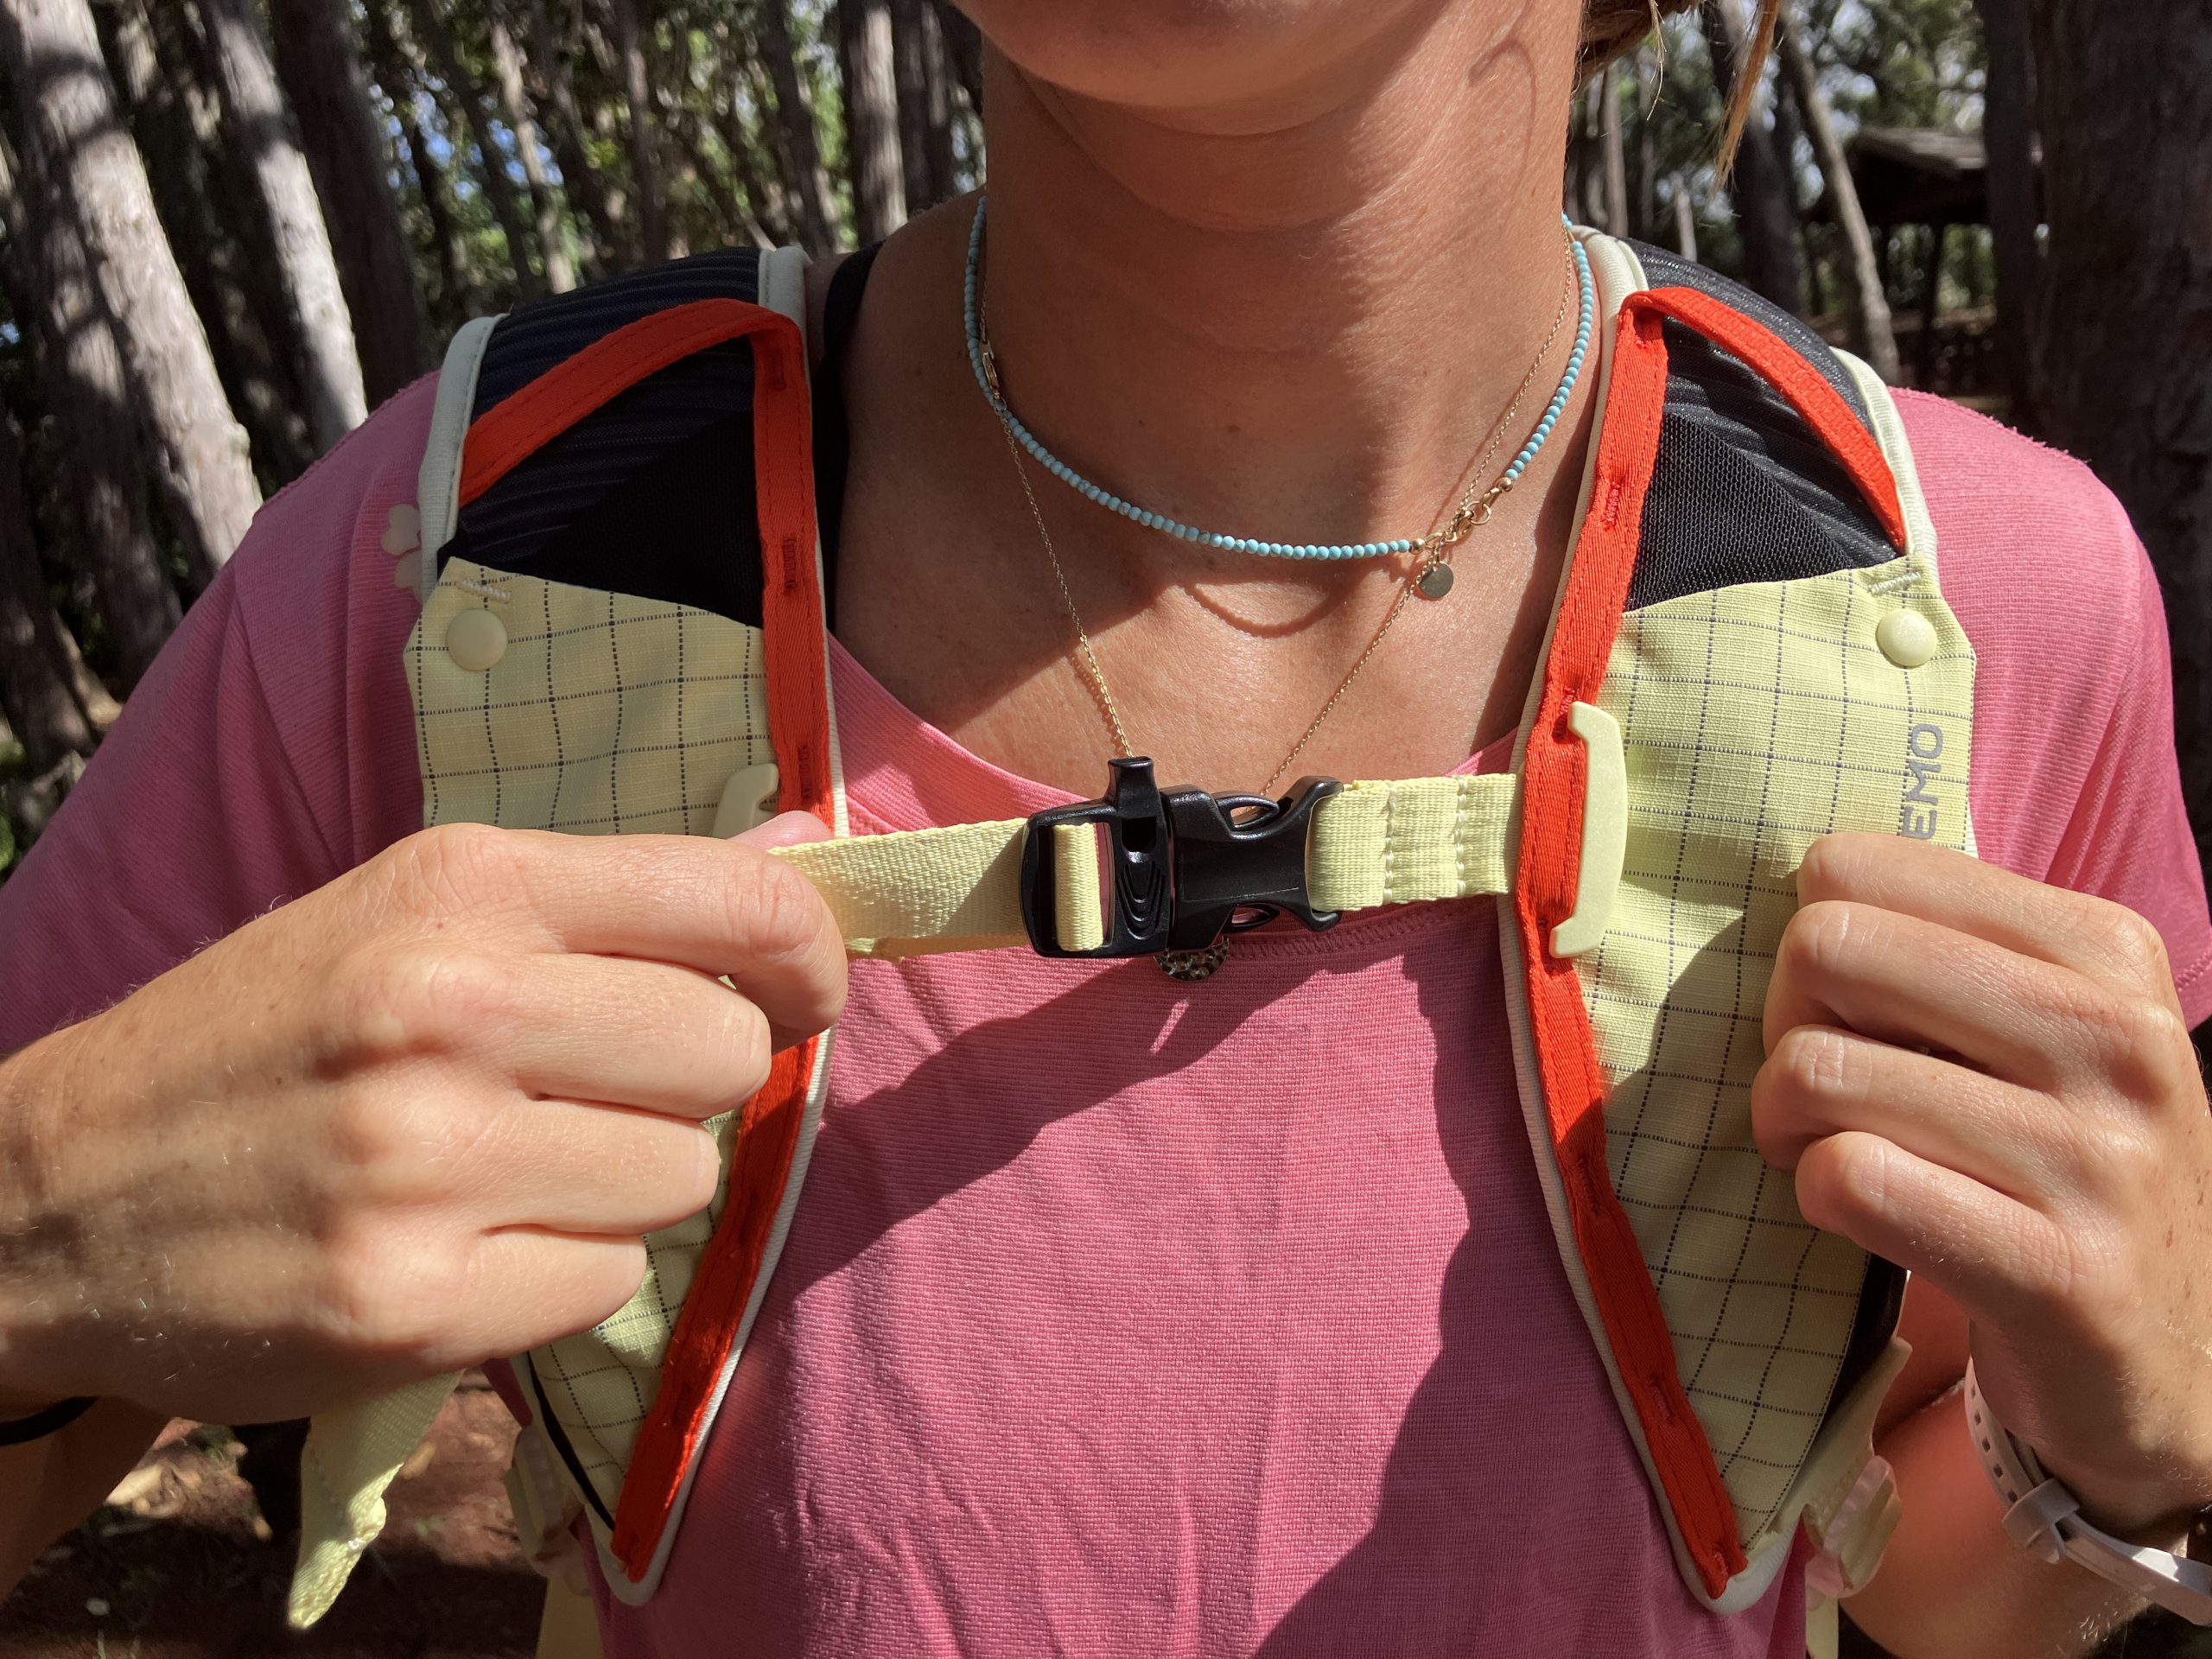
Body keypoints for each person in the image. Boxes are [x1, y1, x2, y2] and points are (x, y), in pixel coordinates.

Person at [3, 0, 2211, 1654]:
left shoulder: (1972, 612)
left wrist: (2136, 1451)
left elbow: (1908, 1572)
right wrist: (33, 1230)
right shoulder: (465, 570)